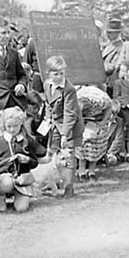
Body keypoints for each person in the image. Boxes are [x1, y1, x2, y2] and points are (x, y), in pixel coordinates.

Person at [43, 56, 84, 195]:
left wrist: (65, 134)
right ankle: (54, 183)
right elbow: (48, 104)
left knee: (68, 155)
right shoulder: (47, 84)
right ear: (48, 73)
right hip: (54, 124)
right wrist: (47, 119)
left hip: (68, 125)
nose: (59, 76)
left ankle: (68, 187)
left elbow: (70, 114)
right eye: (55, 74)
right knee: (54, 153)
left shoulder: (69, 89)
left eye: (62, 73)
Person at [0, 106, 39, 212]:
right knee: (6, 182)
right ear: (3, 125)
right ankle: (1, 197)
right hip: (4, 177)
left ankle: (20, 195)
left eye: (15, 126)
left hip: (22, 179)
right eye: (9, 126)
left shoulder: (28, 140)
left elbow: (35, 162)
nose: (12, 129)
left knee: (21, 208)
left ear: (21, 123)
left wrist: (28, 160)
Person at [76, 86, 113, 181]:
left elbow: (109, 107)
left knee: (95, 146)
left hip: (98, 119)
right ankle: (81, 172)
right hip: (83, 122)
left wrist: (103, 121)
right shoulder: (75, 99)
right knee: (82, 146)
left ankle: (92, 172)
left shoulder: (101, 100)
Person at [113, 60, 129, 161]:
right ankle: (121, 152)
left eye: (127, 71)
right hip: (123, 110)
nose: (125, 73)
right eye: (122, 71)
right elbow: (116, 96)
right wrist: (126, 105)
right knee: (122, 130)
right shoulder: (118, 83)